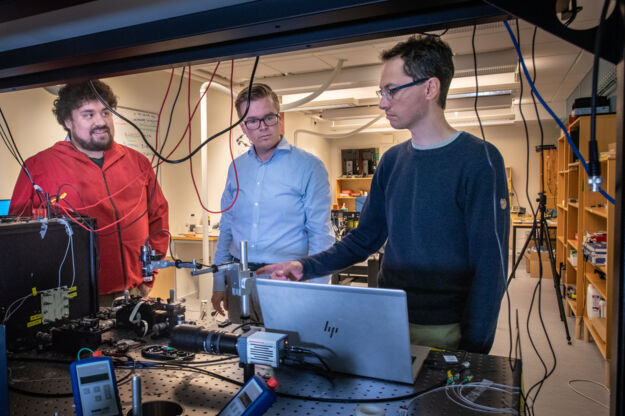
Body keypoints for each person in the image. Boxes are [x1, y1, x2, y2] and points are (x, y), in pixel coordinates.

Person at [258, 36, 509, 354]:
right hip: (386, 316)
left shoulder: (479, 160)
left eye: (391, 90)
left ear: (430, 88)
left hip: (443, 329)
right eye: (381, 92)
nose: (382, 102)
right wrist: (303, 267)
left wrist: (475, 350)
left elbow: (491, 265)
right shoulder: (392, 161)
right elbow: (363, 240)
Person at [9, 80, 169, 301]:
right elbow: (15, 235)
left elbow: (158, 219)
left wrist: (150, 274)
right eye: (88, 114)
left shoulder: (138, 163)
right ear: (68, 121)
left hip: (132, 292)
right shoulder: (38, 167)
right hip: (69, 297)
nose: (101, 121)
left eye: (106, 112)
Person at [211, 83, 334, 316]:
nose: (263, 127)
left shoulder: (309, 167)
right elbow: (227, 228)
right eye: (252, 121)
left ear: (280, 117)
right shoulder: (237, 168)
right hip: (239, 279)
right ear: (243, 127)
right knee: (239, 347)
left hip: (288, 280)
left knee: (289, 349)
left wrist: (319, 292)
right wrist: (219, 283)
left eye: (269, 118)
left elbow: (321, 235)